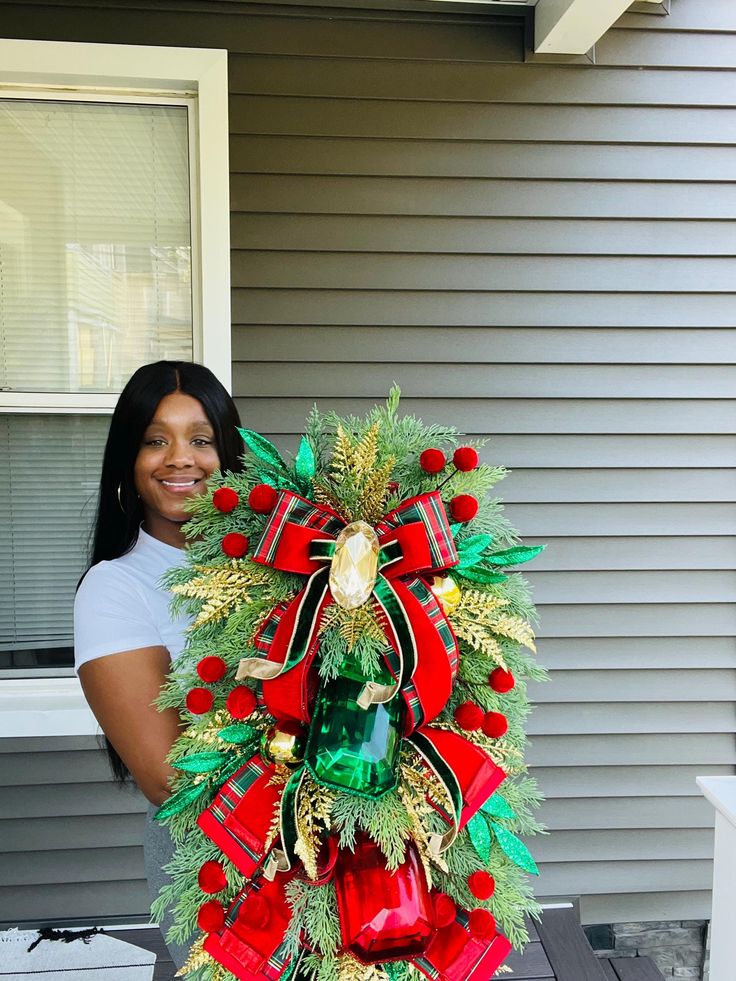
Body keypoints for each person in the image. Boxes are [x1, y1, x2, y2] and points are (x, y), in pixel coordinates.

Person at [74, 360, 243, 968]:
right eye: (155, 440)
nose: (180, 459)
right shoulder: (116, 588)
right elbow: (169, 779)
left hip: (337, 846)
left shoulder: (283, 566)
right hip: (213, 866)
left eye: (201, 440)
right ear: (129, 462)